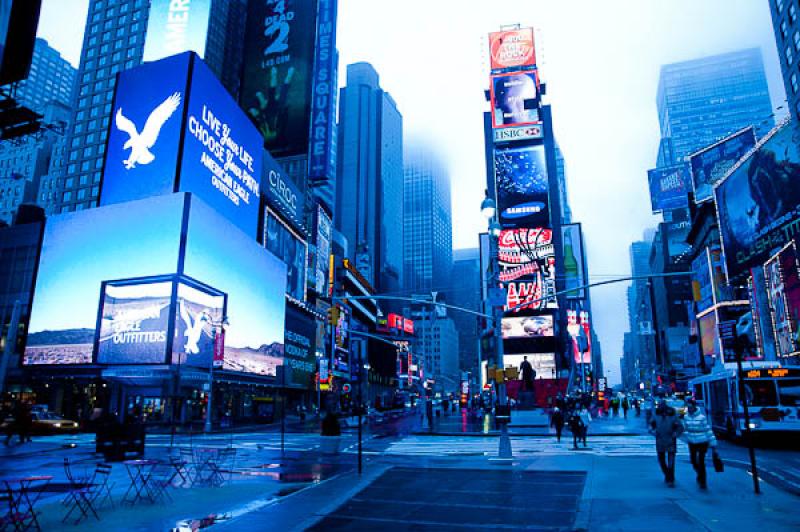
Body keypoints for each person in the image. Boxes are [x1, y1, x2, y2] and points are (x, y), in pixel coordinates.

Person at [682, 398, 717, 489]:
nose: (689, 408)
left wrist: (713, 444)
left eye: (690, 406)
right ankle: (699, 473)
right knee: (693, 461)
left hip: (702, 442)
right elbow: (684, 428)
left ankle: (703, 481)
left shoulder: (702, 418)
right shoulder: (686, 417)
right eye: (688, 407)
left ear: (694, 406)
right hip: (692, 442)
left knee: (701, 461)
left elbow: (707, 430)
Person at [650, 400, 684, 487]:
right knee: (661, 460)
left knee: (671, 462)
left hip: (670, 440)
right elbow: (651, 425)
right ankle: (667, 475)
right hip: (660, 440)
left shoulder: (672, 414)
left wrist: (676, 433)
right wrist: (653, 431)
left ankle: (670, 479)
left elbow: (680, 426)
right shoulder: (656, 414)